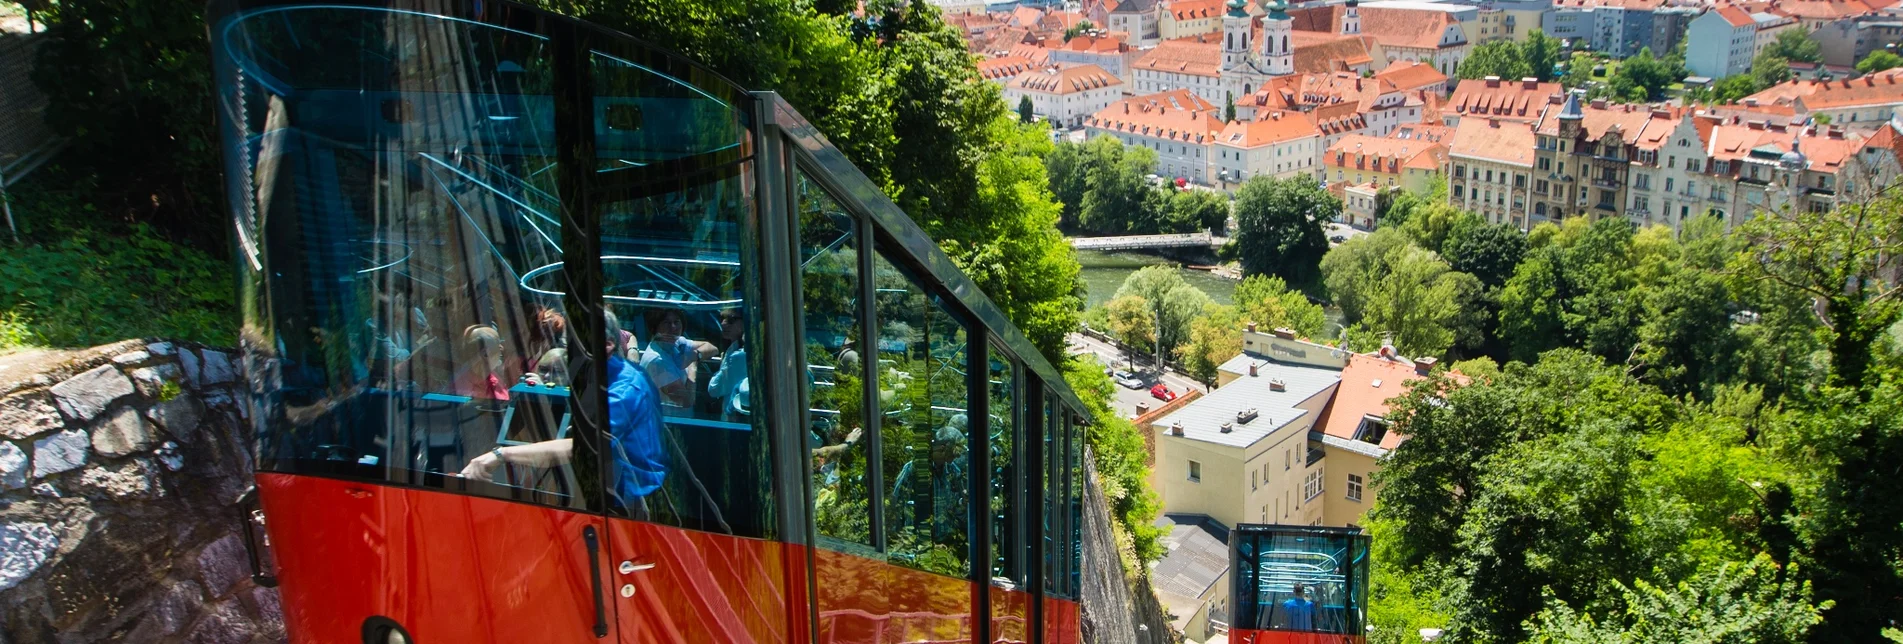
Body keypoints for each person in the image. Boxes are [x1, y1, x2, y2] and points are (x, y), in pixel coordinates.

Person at [459, 311, 668, 516]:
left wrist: (500, 454)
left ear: (607, 345)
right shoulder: (600, 376)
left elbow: (582, 446)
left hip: (627, 505)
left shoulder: (625, 389)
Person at [639, 308, 720, 408]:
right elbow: (686, 401)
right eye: (666, 323)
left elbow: (713, 348)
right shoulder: (656, 361)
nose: (673, 327)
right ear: (655, 327)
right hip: (668, 420)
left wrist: (695, 355)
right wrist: (692, 366)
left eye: (676, 322)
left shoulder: (677, 342)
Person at [705, 307, 750, 420]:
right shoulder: (733, 349)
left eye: (731, 319)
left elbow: (714, 389)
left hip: (735, 417)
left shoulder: (738, 356)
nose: (723, 323)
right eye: (722, 318)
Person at [453, 324, 510, 401]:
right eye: (497, 344)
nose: (502, 348)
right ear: (485, 354)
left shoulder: (492, 376)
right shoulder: (463, 390)